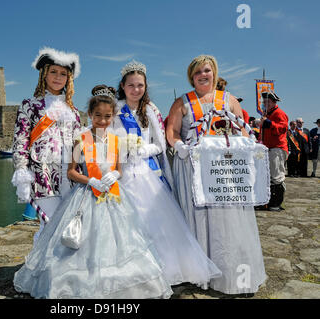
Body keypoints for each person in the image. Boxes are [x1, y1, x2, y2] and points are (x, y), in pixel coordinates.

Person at [13, 85, 173, 299]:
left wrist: (114, 176)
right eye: (98, 115)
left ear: (113, 116)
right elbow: (71, 172)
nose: (103, 120)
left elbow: (119, 170)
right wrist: (92, 181)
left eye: (108, 116)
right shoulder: (81, 139)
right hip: (87, 194)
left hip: (113, 196)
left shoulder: (117, 140)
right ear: (90, 114)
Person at [110, 61, 222, 287]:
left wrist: (145, 149)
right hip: (121, 172)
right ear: (122, 86)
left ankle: (164, 268)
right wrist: (123, 151)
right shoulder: (113, 109)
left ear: (145, 86)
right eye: (131, 85)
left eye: (140, 85)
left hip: (147, 173)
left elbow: (160, 143)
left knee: (157, 222)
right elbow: (104, 140)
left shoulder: (150, 110)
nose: (136, 90)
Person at [165, 55, 266, 295]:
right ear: (192, 76)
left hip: (225, 170)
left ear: (214, 73)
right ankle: (196, 273)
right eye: (198, 71)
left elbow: (243, 129)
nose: (203, 75)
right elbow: (172, 130)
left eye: (207, 71)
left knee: (228, 221)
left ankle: (232, 274)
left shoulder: (229, 100)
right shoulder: (182, 102)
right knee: (197, 218)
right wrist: (179, 146)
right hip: (193, 167)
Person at [12, 47, 82, 244]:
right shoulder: (30, 105)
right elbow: (20, 139)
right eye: (53, 72)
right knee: (49, 225)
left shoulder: (74, 111)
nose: (58, 77)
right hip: (41, 174)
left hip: (69, 175)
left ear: (69, 79)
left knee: (67, 225)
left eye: (63, 74)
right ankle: (41, 270)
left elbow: (79, 145)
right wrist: (21, 171)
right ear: (44, 74)